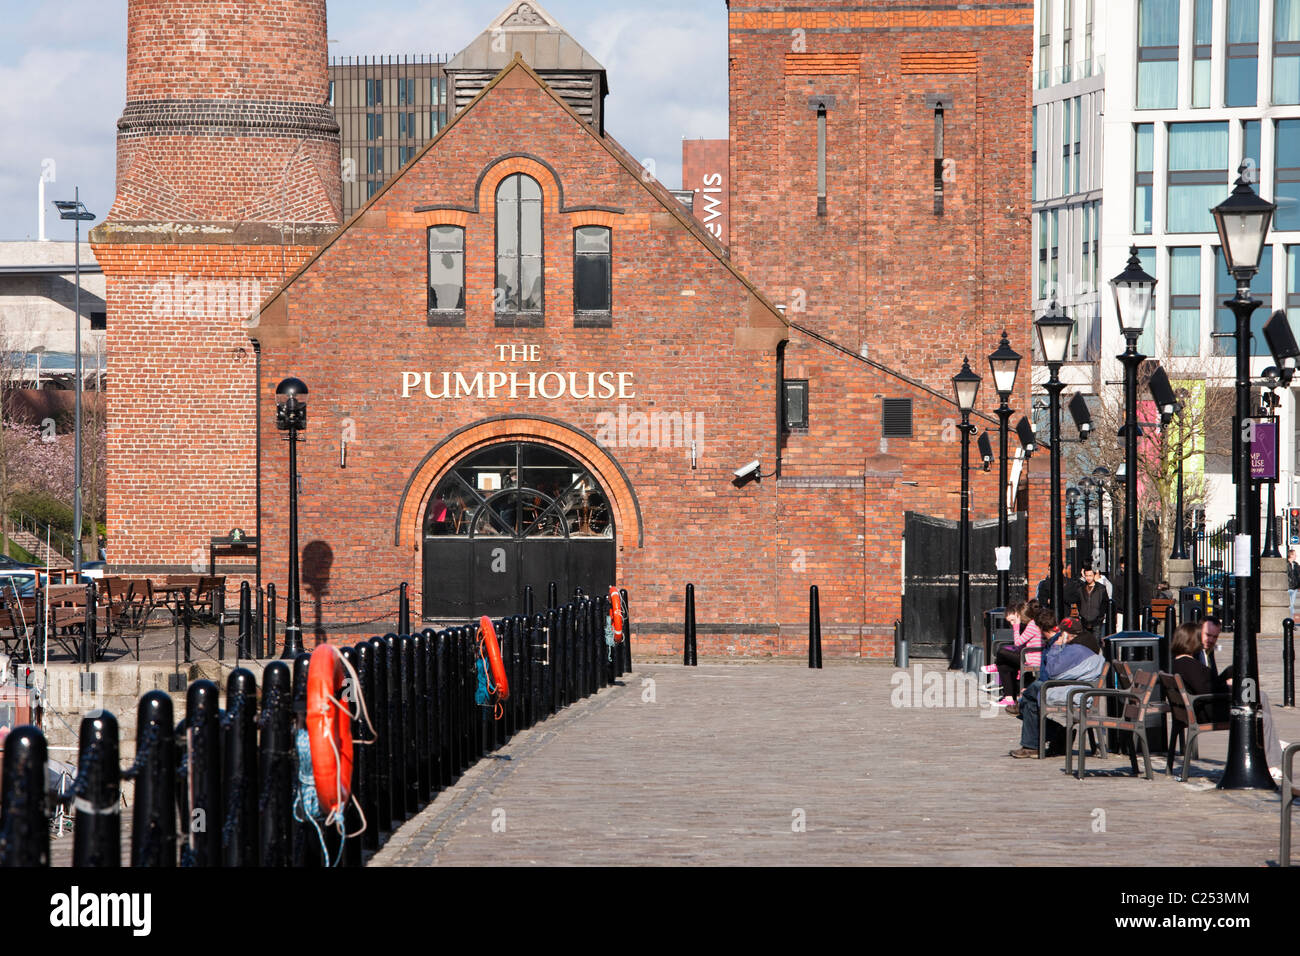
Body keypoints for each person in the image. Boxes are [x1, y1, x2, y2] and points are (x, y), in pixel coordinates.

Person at [1170, 620, 1284, 777]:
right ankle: (1270, 763)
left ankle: (1269, 751)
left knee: (1258, 698)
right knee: (1259, 714)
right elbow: (1207, 689)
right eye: (1199, 637)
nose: (1203, 641)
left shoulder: (1181, 663)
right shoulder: (1189, 664)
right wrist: (1232, 688)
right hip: (1207, 710)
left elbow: (1208, 683)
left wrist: (1228, 678)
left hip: (1200, 707)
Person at [1007, 616, 1105, 758]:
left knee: (1032, 694)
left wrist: (1056, 646)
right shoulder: (1083, 645)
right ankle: (1049, 737)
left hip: (1076, 693)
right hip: (1077, 689)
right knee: (1032, 698)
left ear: (1066, 634)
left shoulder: (1076, 649)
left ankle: (1038, 739)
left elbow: (1052, 671)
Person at [983, 599, 1042, 706]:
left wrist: (1016, 627)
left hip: (1031, 659)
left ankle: (996, 666)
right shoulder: (1030, 625)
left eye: (1013, 620)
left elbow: (1018, 643)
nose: (1012, 624)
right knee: (1004, 666)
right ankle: (1009, 698)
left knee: (1002, 652)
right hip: (1026, 657)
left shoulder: (1032, 626)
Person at [1075, 566, 1109, 639]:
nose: (1088, 578)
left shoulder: (1101, 588)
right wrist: (1081, 614)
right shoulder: (1080, 588)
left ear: (1094, 575)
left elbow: (1105, 603)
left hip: (1097, 620)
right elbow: (1078, 602)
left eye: (1090, 575)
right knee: (1085, 643)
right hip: (1084, 620)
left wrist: (1100, 616)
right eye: (1086, 575)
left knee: (1096, 643)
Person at [1289, 549, 1300, 621]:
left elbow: (1298, 575)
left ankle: (1291, 621)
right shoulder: (1286, 564)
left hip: (1294, 587)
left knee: (1292, 605)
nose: (1296, 556)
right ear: (1291, 555)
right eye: (1295, 554)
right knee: (1290, 606)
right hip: (1288, 587)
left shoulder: (1296, 564)